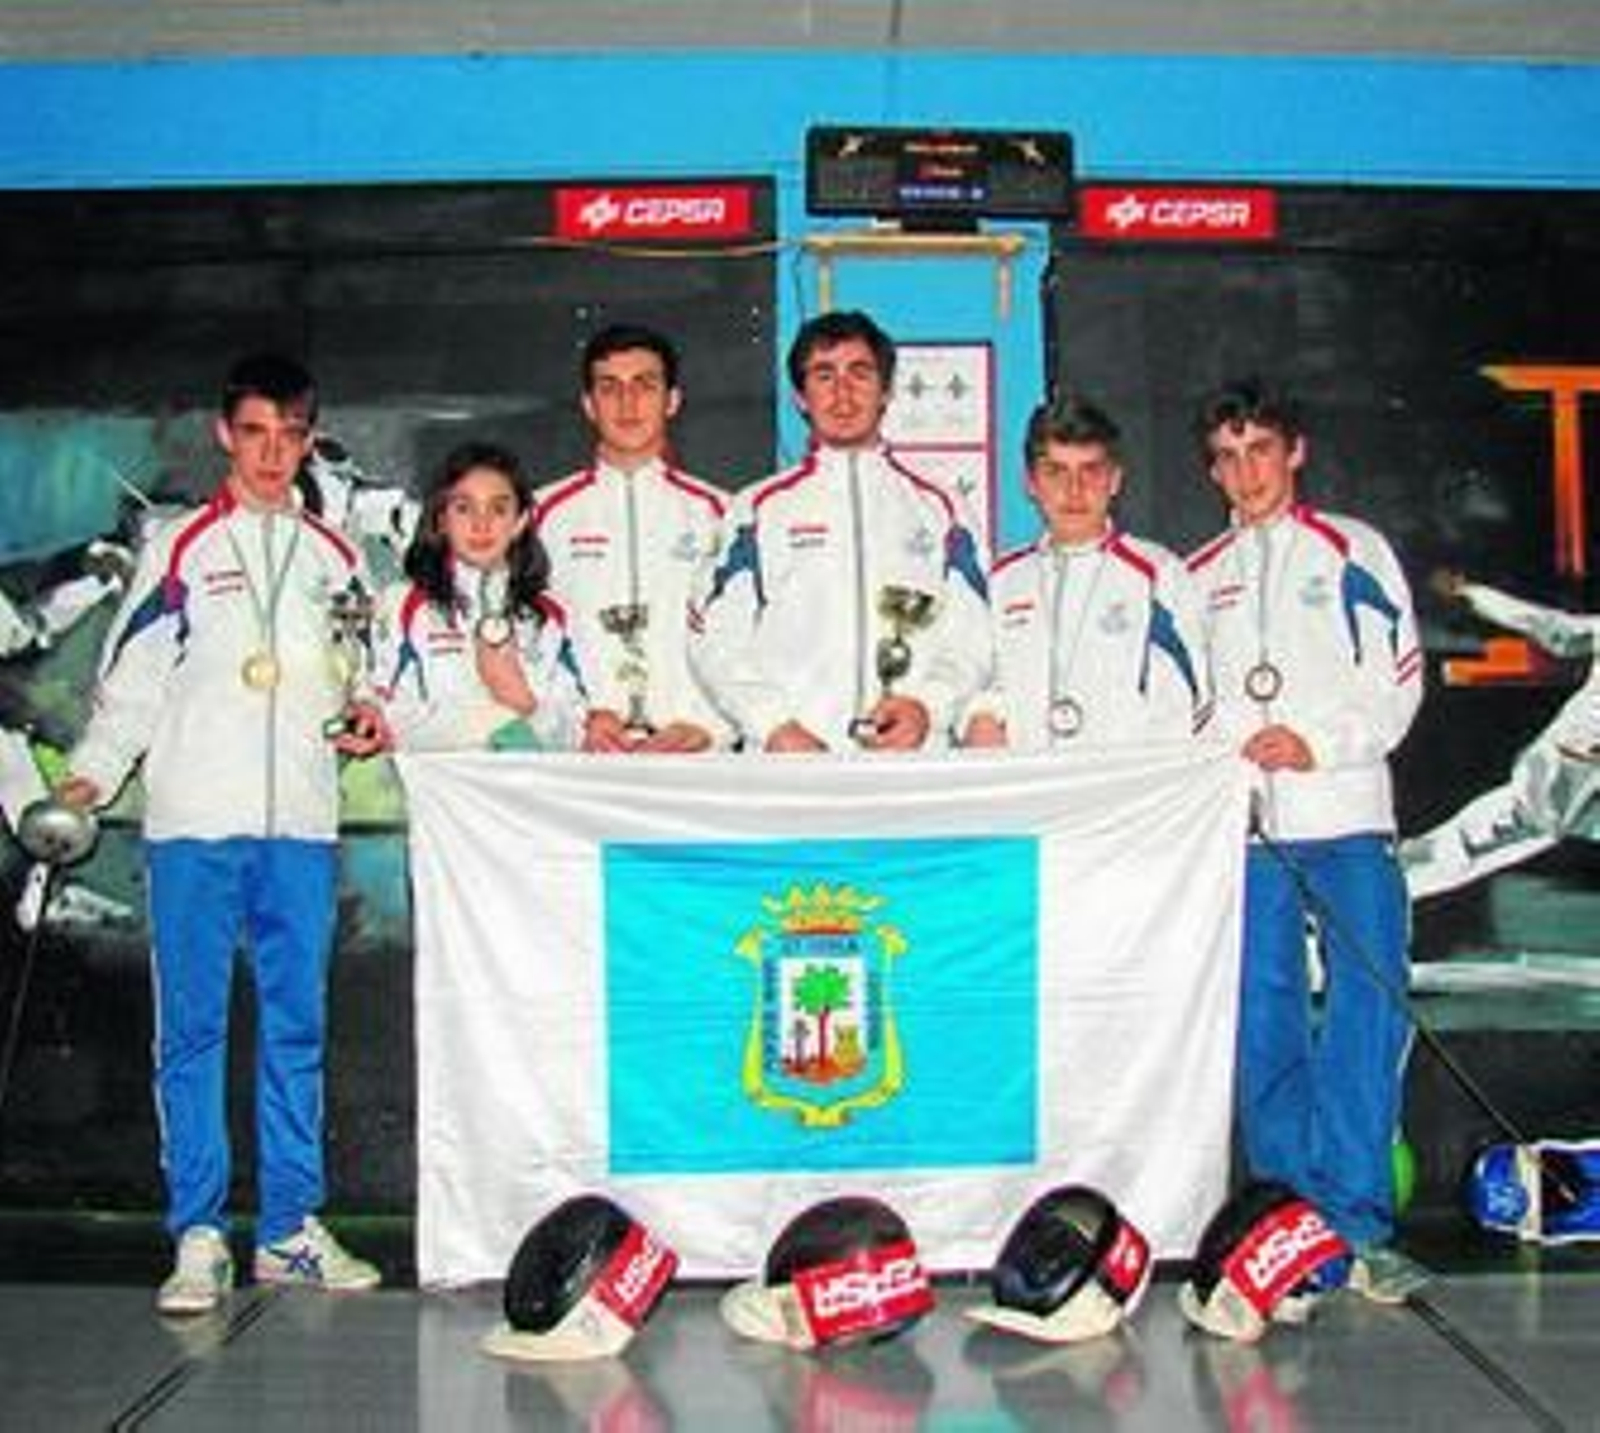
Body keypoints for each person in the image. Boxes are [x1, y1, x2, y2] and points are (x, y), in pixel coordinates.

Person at [56, 353, 384, 1315]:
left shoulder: (338, 557)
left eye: (290, 436)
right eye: (254, 433)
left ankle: (288, 1229)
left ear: (309, 440)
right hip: (195, 823)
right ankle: (197, 1233)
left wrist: (368, 711)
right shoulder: (181, 547)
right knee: (192, 1030)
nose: (273, 454)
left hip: (301, 827)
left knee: (297, 1030)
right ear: (223, 435)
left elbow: (359, 672)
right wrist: (92, 770)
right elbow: (130, 680)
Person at [1185, 378, 1426, 1302]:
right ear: (1213, 470)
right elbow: (1188, 712)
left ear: (1295, 452)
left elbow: (1398, 681)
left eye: (1260, 451)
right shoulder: (1198, 575)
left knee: (1367, 1013)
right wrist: (1228, 774)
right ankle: (1289, 1226)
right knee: (1263, 1020)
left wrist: (1319, 742)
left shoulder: (1353, 549)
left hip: (1348, 818)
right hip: (1248, 835)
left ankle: (1358, 1222)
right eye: (1227, 457)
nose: (1246, 472)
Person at [690, 310, 990, 752]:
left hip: (911, 762)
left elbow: (975, 635)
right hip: (792, 763)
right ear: (800, 397)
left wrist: (927, 707)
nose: (843, 393)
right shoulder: (755, 510)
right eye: (824, 375)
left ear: (886, 391)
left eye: (860, 374)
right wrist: (773, 727)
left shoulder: (942, 508)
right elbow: (714, 639)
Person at [962, 396, 1209, 750]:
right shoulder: (1003, 579)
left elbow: (1190, 701)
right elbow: (977, 674)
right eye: (1055, 472)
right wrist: (980, 713)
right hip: (1028, 780)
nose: (1074, 490)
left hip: (1122, 780)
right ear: (1031, 483)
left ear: (1115, 480)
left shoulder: (1158, 574)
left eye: (1090, 471)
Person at [534, 324, 728, 752]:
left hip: (694, 753)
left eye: (645, 385)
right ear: (589, 405)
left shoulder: (720, 514)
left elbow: (742, 640)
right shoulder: (540, 514)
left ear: (672, 400)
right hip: (583, 752)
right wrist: (575, 721)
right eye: (610, 388)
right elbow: (526, 641)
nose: (628, 402)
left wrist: (708, 727)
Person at [370, 440, 586, 751]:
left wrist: (524, 703)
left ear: (520, 521)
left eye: (498, 509)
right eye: (464, 508)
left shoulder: (554, 614)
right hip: (440, 782)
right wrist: (492, 723)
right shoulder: (401, 605)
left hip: (529, 782)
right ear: (441, 520)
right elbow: (386, 719)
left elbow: (577, 733)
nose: (481, 524)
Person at [1402, 571, 1600, 898]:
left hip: (1577, 770)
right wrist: (1472, 593)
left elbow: (1553, 629)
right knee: (1485, 837)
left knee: (1488, 837)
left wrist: (1472, 593)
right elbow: (1551, 628)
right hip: (1570, 767)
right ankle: (1376, 887)